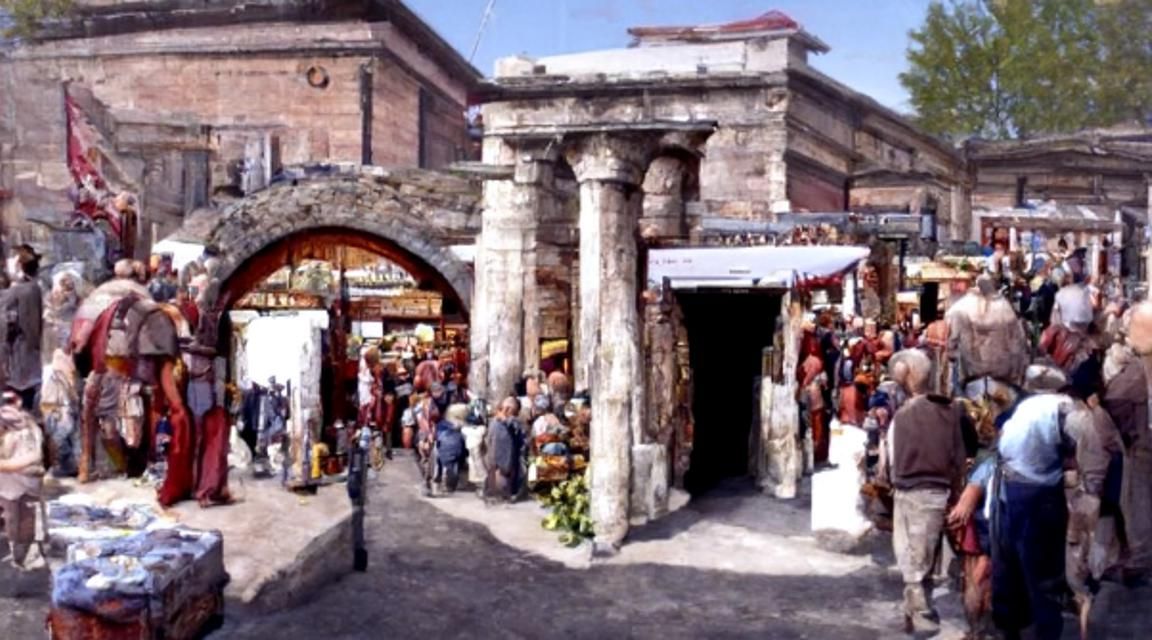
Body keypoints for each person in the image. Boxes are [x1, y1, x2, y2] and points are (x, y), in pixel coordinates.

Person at [991, 365, 1081, 640]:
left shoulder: (1022, 409)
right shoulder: (1063, 408)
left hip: (1008, 488)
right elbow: (1080, 446)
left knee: (1009, 565)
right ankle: (1046, 632)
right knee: (1044, 574)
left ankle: (1010, 630)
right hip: (1039, 494)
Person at [886, 349, 970, 633]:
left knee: (913, 561)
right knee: (925, 558)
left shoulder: (902, 416)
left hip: (911, 492)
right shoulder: (951, 410)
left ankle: (920, 614)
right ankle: (916, 612)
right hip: (939, 492)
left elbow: (889, 463)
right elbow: (959, 458)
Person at [1102, 301, 1152, 587]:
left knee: (1138, 503)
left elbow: (1115, 400)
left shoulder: (1138, 369)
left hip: (1143, 445)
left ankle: (1140, 562)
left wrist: (1125, 434)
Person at [0, 390, 45, 570]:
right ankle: (18, 555)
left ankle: (26, 557)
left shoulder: (25, 431)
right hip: (8, 485)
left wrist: (6, 465)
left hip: (25, 482)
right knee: (12, 518)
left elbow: (33, 458)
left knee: (26, 520)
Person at [3, 246, 42, 411]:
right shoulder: (30, 288)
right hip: (21, 350)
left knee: (21, 389)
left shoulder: (23, 290)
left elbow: (29, 325)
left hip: (20, 349)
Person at [487, 396, 524, 502]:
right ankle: (493, 493)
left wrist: (506, 420)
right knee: (493, 474)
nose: (507, 408)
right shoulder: (495, 420)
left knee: (505, 477)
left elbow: (518, 431)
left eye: (511, 405)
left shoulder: (514, 422)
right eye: (506, 404)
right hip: (494, 455)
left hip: (507, 457)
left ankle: (506, 494)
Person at [434, 404, 468, 493]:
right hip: (455, 453)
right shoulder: (462, 428)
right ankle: (449, 484)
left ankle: (442, 482)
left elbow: (437, 439)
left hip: (441, 454)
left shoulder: (441, 425)